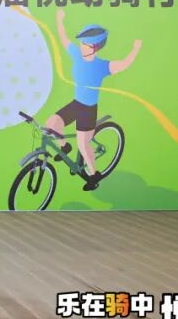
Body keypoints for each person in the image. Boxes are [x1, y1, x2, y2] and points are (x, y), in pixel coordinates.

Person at [48, 10, 141, 191]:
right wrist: (59, 19)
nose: (82, 47)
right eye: (82, 43)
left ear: (96, 47)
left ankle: (94, 175)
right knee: (52, 123)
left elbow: (123, 65)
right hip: (76, 104)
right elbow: (64, 39)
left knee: (83, 144)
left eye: (87, 45)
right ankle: (65, 147)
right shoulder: (77, 54)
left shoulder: (102, 66)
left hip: (88, 110)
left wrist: (135, 49)